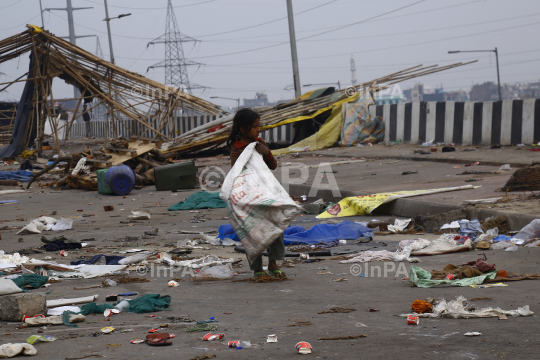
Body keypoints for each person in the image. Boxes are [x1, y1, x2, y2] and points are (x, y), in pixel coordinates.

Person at [227, 108, 286, 279]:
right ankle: (257, 268)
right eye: (254, 126)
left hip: (266, 194)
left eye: (258, 126)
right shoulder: (237, 149)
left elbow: (273, 165)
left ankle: (273, 263)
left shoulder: (261, 144)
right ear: (243, 129)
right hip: (248, 198)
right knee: (253, 233)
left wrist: (267, 153)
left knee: (275, 227)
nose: (258, 129)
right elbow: (237, 173)